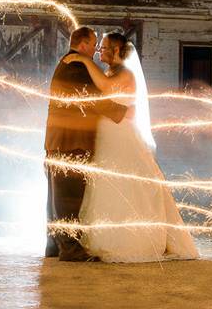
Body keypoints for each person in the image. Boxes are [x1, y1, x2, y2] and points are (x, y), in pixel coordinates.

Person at [62, 32, 199, 263]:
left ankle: (133, 240)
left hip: (121, 137)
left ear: (116, 51)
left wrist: (84, 60)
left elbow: (105, 87)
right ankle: (102, 236)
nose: (99, 51)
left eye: (104, 47)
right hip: (107, 136)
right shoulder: (109, 72)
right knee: (106, 185)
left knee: (124, 184)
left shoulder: (125, 74)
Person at [44, 26, 128, 261]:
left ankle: (54, 246)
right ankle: (70, 250)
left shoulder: (69, 63)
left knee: (57, 197)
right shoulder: (76, 66)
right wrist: (122, 112)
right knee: (68, 198)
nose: (95, 49)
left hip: (60, 141)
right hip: (71, 142)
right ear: (82, 44)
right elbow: (90, 99)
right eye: (93, 44)